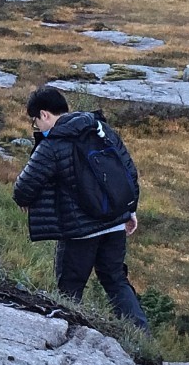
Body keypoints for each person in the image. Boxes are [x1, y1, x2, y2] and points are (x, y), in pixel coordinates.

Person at [10, 86, 150, 328]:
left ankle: (67, 337)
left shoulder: (53, 142)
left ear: (44, 114)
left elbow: (23, 188)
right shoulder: (101, 128)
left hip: (80, 232)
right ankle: (142, 339)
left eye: (35, 122)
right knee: (116, 280)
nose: (38, 129)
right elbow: (128, 170)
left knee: (69, 288)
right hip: (116, 222)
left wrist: (27, 201)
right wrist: (130, 210)